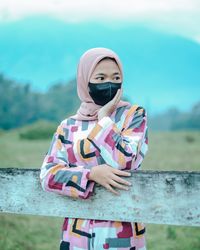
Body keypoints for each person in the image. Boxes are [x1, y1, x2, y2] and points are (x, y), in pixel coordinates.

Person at [39, 47, 148, 250]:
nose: (109, 84)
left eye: (116, 77)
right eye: (100, 78)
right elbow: (48, 175)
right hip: (77, 234)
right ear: (85, 80)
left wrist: (104, 118)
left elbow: (125, 161)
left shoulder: (134, 116)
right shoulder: (69, 126)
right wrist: (90, 175)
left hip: (122, 232)